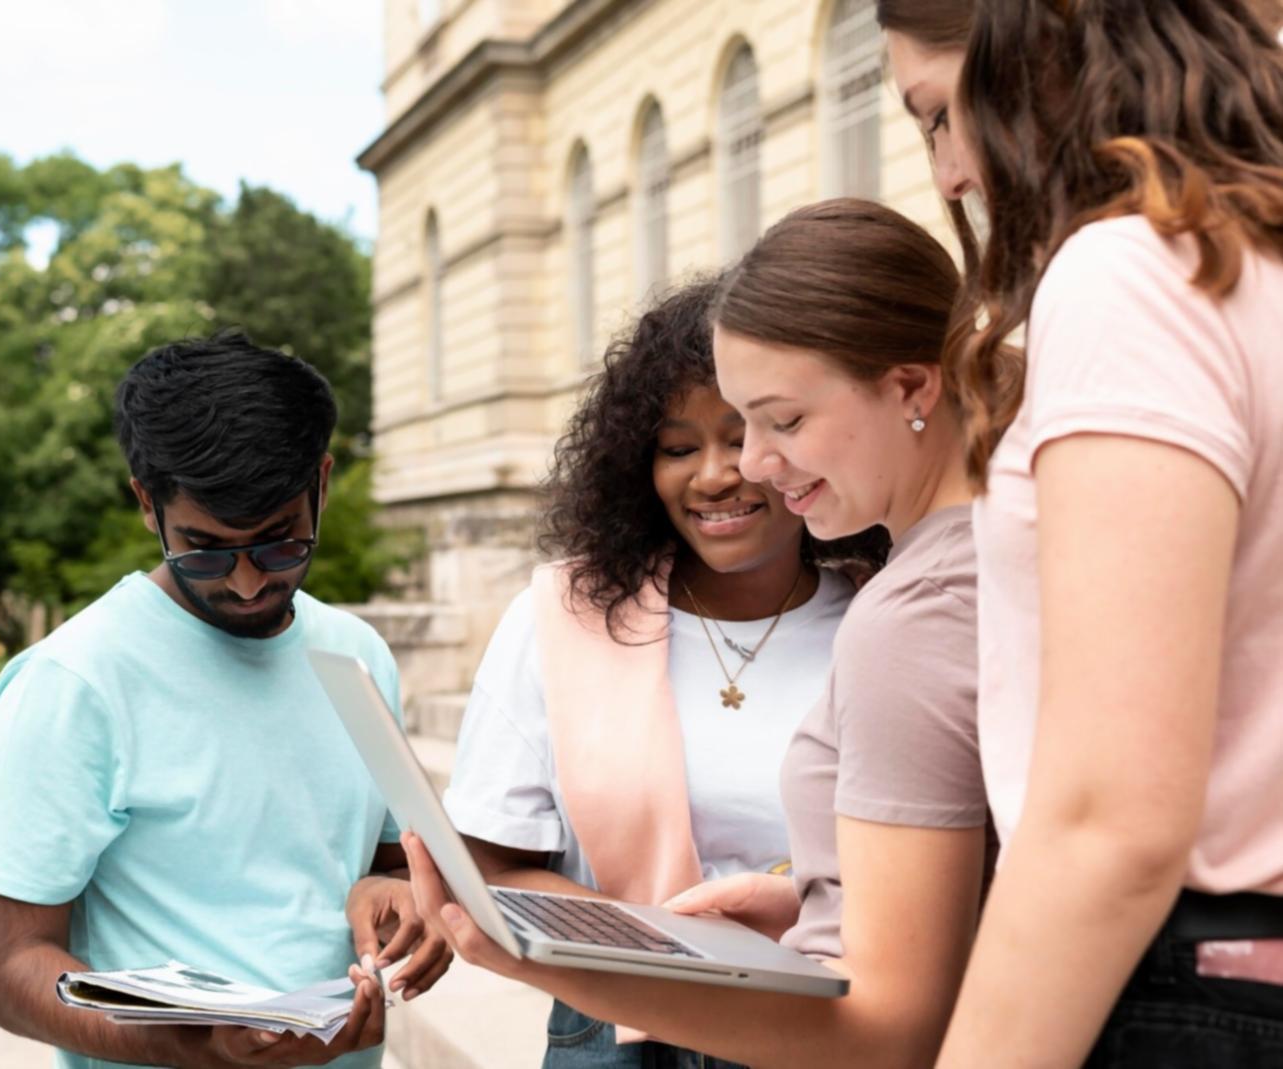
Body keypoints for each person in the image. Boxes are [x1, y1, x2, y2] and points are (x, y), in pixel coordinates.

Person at [406, 199, 998, 1069]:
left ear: (911, 389)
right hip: (630, 1032)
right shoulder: (566, 615)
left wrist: (527, 957)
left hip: (812, 1022)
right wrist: (763, 910)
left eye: (775, 423)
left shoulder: (903, 611)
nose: (739, 467)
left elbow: (893, 1020)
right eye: (680, 446)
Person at [906, 3, 1283, 1065]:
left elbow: (1110, 822)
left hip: (1188, 983)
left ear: (1032, 49)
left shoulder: (1137, 273)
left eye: (936, 115)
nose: (948, 176)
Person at [0, 332, 452, 1069]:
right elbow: (10, 968)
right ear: (146, 502)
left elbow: (389, 863)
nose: (247, 582)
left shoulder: (355, 654)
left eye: (280, 542)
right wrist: (198, 1045)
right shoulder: (73, 683)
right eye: (204, 550)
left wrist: (396, 900)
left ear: (322, 484)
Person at [440, 278, 868, 1068]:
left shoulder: (885, 619)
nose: (713, 475)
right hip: (615, 1026)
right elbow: (492, 862)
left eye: (742, 437)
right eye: (677, 448)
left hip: (829, 1026)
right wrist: (674, 943)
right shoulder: (562, 616)